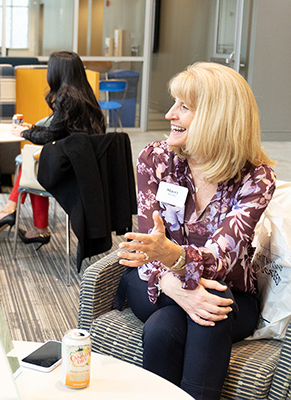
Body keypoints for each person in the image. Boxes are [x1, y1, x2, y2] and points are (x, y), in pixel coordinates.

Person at [117, 62, 276, 399]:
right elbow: (148, 249)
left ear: (218, 117)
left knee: (168, 326)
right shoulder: (156, 159)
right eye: (174, 103)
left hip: (230, 291)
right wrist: (178, 287)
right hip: (153, 282)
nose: (170, 114)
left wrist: (171, 255)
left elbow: (221, 258)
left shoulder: (256, 178)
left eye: (184, 107)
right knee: (205, 309)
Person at [0, 51, 105, 247]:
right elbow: (61, 130)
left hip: (72, 171)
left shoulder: (66, 97)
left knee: (31, 161)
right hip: (85, 165)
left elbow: (50, 136)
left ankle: (13, 212)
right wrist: (32, 129)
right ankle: (28, 222)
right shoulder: (84, 94)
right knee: (32, 160)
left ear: (57, 71)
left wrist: (23, 134)